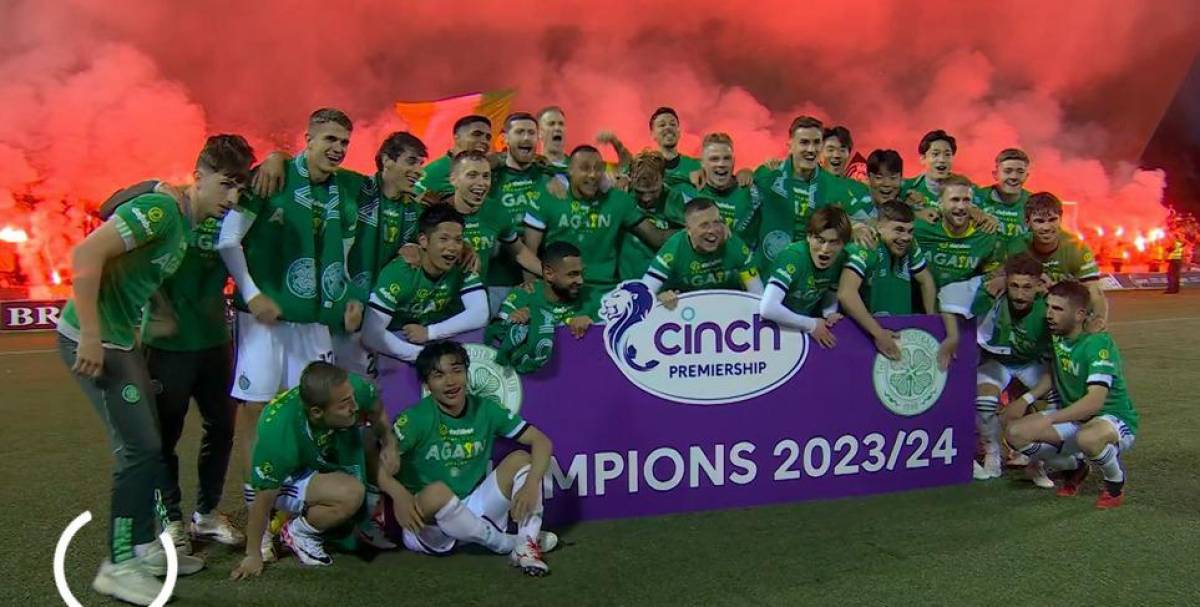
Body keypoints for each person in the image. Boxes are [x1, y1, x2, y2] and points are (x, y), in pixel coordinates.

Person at [58, 134, 253, 605]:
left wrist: (152, 314)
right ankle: (118, 565)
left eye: (239, 190)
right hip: (96, 341)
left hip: (122, 338)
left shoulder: (186, 220)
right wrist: (87, 332)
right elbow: (86, 254)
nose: (231, 198)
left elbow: (136, 271)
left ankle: (146, 548)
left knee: (147, 445)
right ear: (200, 175)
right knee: (140, 450)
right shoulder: (164, 210)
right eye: (225, 185)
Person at [217, 108, 365, 515]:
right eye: (329, 139)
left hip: (316, 322)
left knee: (310, 411)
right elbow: (228, 240)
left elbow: (348, 258)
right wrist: (251, 293)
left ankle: (293, 511)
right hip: (264, 321)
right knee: (256, 410)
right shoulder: (272, 179)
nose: (337, 149)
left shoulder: (345, 192)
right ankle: (255, 511)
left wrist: (351, 295)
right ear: (308, 139)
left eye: (344, 142)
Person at [381, 340, 559, 575]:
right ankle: (507, 544)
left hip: (472, 510)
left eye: (457, 371)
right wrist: (398, 495)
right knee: (437, 491)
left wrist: (531, 484)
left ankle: (526, 545)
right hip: (427, 526)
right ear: (427, 384)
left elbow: (542, 442)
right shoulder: (415, 419)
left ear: (466, 372)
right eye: (439, 375)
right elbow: (377, 463)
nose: (451, 381)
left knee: (521, 460)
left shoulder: (485, 409)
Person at [231, 362, 397, 577]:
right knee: (351, 494)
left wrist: (389, 443)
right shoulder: (279, 432)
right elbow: (261, 500)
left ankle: (362, 520)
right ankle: (300, 532)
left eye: (352, 397)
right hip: (287, 476)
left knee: (367, 440)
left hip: (318, 453)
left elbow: (375, 408)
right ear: (317, 412)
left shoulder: (349, 388)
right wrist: (252, 554)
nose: (355, 406)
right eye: (344, 404)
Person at [1005, 281, 1139, 509]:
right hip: (1072, 417)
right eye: (1048, 307)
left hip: (1111, 418)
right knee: (1015, 434)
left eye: (1057, 309)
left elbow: (1094, 403)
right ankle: (1074, 467)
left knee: (1087, 438)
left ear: (1079, 315)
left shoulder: (1097, 343)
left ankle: (1114, 483)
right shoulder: (1057, 336)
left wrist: (1048, 419)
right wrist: (1025, 400)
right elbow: (1051, 375)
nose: (1048, 314)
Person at [939, 253, 1054, 486]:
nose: (1020, 294)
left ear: (1039, 285)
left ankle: (1037, 461)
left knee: (1057, 400)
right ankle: (993, 453)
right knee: (985, 401)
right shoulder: (990, 290)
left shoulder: (1052, 304)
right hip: (998, 362)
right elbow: (946, 294)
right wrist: (952, 336)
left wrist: (1025, 399)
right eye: (1014, 286)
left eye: (1027, 287)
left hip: (1032, 363)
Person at [524, 145, 671, 306]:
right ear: (570, 170)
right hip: (559, 293)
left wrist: (693, 229)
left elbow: (657, 237)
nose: (593, 175)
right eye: (585, 168)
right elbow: (528, 252)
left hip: (604, 295)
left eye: (598, 168)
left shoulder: (618, 201)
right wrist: (532, 291)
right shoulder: (548, 197)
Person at [335, 132, 428, 376]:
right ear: (387, 160)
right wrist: (276, 159)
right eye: (411, 161)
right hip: (343, 309)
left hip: (383, 318)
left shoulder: (415, 210)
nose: (418, 170)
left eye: (421, 164)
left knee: (371, 389)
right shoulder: (355, 186)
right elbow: (309, 170)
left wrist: (416, 248)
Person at [362, 206, 488, 362]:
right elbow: (370, 333)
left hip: (429, 340)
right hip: (392, 345)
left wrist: (430, 332)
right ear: (423, 241)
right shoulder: (402, 270)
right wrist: (421, 356)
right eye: (444, 239)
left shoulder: (462, 263)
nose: (453, 247)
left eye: (458, 240)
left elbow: (480, 313)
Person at [753, 116, 870, 272]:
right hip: (767, 273)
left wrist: (857, 227)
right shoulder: (767, 176)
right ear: (790, 145)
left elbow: (863, 220)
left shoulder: (833, 186)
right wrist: (743, 173)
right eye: (804, 142)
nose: (811, 149)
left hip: (810, 281)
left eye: (816, 142)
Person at [837, 201, 939, 360]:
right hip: (864, 335)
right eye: (898, 230)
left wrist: (932, 319)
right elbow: (846, 294)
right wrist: (878, 333)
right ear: (879, 227)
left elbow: (926, 280)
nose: (905, 237)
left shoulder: (910, 245)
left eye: (910, 231)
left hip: (899, 331)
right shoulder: (866, 246)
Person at [486, 241, 595, 374]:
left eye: (581, 274)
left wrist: (589, 325)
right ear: (549, 273)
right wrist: (514, 320)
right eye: (572, 274)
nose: (580, 281)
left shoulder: (587, 297)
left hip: (573, 375)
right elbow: (497, 333)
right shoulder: (523, 295)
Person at [1002, 192, 1106, 330]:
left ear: (1061, 219)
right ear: (1027, 222)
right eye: (1039, 221)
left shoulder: (1077, 248)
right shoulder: (1016, 247)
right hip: (1025, 312)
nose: (1046, 227)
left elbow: (1095, 291)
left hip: (1065, 314)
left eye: (1052, 220)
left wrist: (1097, 324)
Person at [485, 113, 558, 307]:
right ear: (505, 138)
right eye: (519, 132)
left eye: (531, 133)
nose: (526, 138)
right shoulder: (488, 178)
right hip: (495, 282)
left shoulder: (550, 178)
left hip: (541, 282)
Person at [644, 198, 762, 309]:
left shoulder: (733, 244)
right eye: (704, 225)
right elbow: (643, 294)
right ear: (688, 230)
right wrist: (659, 298)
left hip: (726, 310)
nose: (712, 230)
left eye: (716, 222)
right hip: (686, 314)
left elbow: (759, 296)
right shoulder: (673, 249)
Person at [759, 207, 851, 348]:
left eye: (834, 242)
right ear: (808, 236)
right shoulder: (793, 257)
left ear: (843, 244)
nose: (825, 249)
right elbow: (767, 308)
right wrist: (811, 325)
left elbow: (830, 291)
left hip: (802, 330)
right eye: (820, 240)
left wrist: (830, 314)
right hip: (768, 331)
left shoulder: (842, 259)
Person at [665, 132, 761, 242]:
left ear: (733, 162)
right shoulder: (684, 193)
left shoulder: (750, 192)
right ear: (702, 163)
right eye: (714, 159)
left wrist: (749, 171)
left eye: (727, 158)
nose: (721, 164)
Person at [913, 174, 1003, 288]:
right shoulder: (920, 229)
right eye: (954, 200)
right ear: (940, 203)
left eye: (966, 200)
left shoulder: (986, 234)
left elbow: (993, 276)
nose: (961, 206)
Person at [619, 150, 681, 280]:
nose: (646, 198)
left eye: (653, 191)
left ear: (663, 178)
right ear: (630, 178)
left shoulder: (674, 198)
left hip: (665, 285)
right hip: (627, 284)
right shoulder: (621, 197)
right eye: (640, 192)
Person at [418, 115, 493, 200]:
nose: (484, 141)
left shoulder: (492, 170)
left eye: (488, 138)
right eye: (476, 134)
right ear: (456, 137)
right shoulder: (435, 171)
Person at [974, 148, 1033, 241]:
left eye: (1020, 172)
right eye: (1007, 171)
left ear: (1026, 176)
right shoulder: (976, 197)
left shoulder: (1035, 203)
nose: (1014, 177)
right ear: (995, 174)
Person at [903, 130, 967, 209]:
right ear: (923, 158)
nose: (942, 160)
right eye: (935, 154)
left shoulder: (966, 188)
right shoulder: (906, 188)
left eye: (947, 154)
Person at [648, 106, 702, 187]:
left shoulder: (696, 166)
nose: (668, 127)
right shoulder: (643, 167)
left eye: (673, 124)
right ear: (652, 134)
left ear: (679, 132)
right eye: (662, 125)